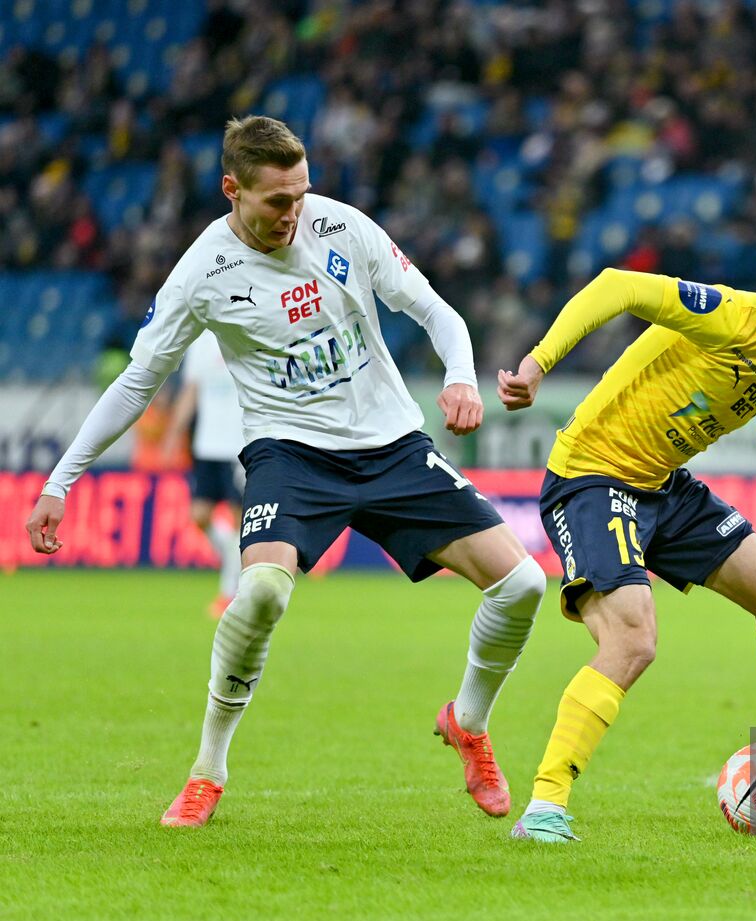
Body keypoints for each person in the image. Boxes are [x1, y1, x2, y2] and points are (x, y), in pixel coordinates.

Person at [24, 116, 546, 828]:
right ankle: (208, 770)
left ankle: (469, 723)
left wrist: (460, 377)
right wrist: (60, 481)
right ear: (232, 190)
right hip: (291, 453)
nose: (294, 213)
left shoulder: (341, 228)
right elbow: (136, 383)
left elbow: (435, 310)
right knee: (262, 593)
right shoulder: (203, 272)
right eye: (277, 201)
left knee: (523, 583)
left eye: (301, 194)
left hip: (393, 446)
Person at [497, 227, 756, 843]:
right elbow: (617, 287)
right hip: (591, 478)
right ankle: (545, 808)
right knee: (633, 639)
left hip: (664, 488)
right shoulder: (730, 317)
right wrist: (537, 365)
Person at [162, 330, 245, 619]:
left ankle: (228, 594)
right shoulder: (201, 342)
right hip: (207, 444)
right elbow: (191, 391)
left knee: (238, 520)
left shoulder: (245, 329)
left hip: (240, 444)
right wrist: (173, 433)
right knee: (199, 515)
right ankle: (238, 563)